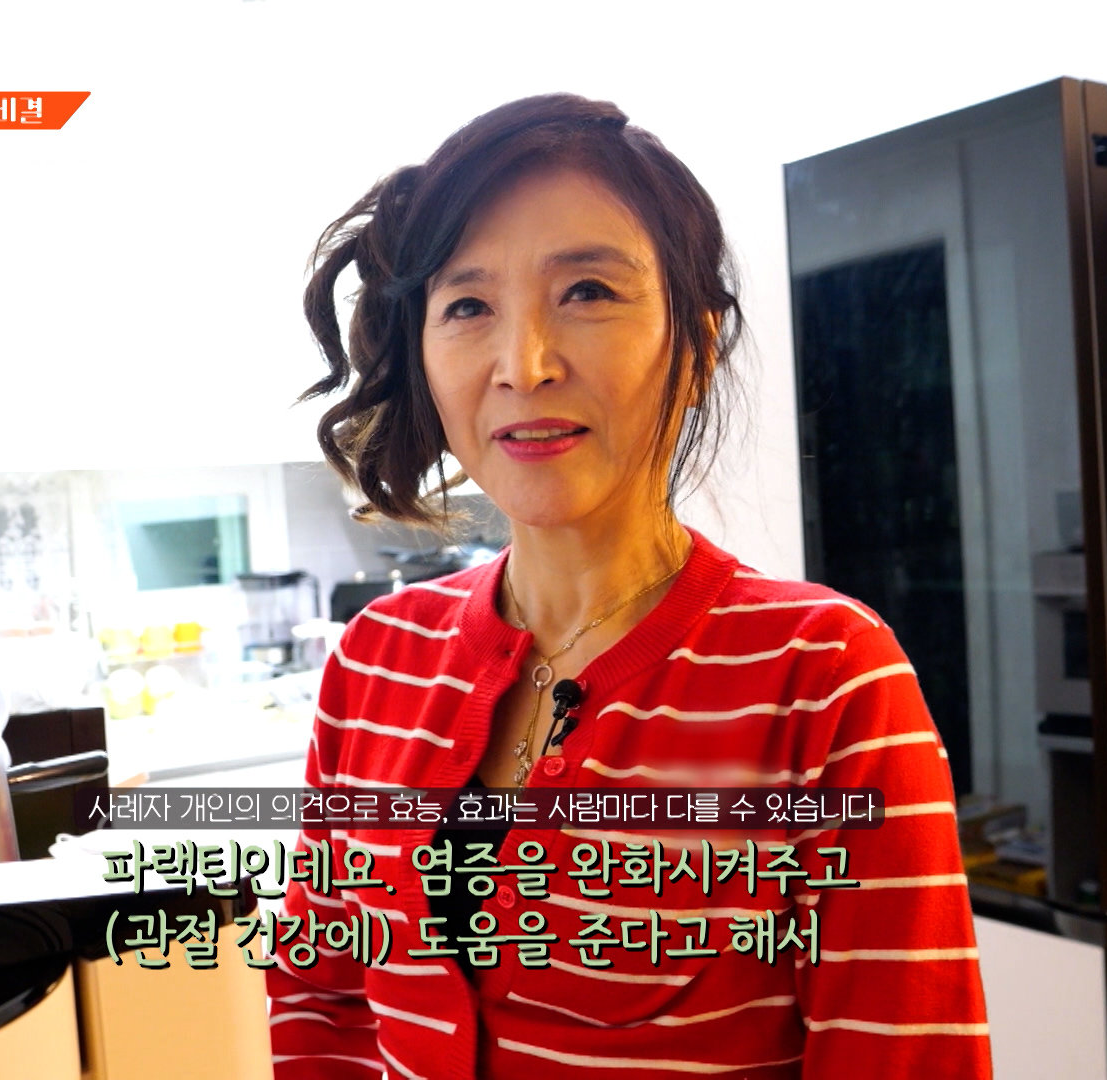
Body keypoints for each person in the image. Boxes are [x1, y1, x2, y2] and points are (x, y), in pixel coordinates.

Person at [267, 92, 991, 1079]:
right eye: (468, 306)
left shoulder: (823, 679)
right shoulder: (374, 662)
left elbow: (904, 1057)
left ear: (696, 346)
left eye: (588, 291)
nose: (524, 365)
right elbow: (323, 999)